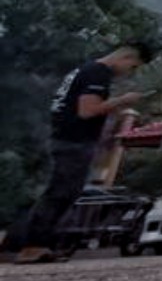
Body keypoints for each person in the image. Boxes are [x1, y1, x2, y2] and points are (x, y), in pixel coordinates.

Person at [13, 42, 152, 264]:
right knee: (60, 193)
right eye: (133, 67)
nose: (129, 72)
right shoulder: (97, 73)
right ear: (127, 57)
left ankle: (40, 245)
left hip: (64, 138)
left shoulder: (84, 70)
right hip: (73, 142)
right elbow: (87, 111)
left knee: (63, 192)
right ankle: (32, 246)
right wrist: (122, 100)